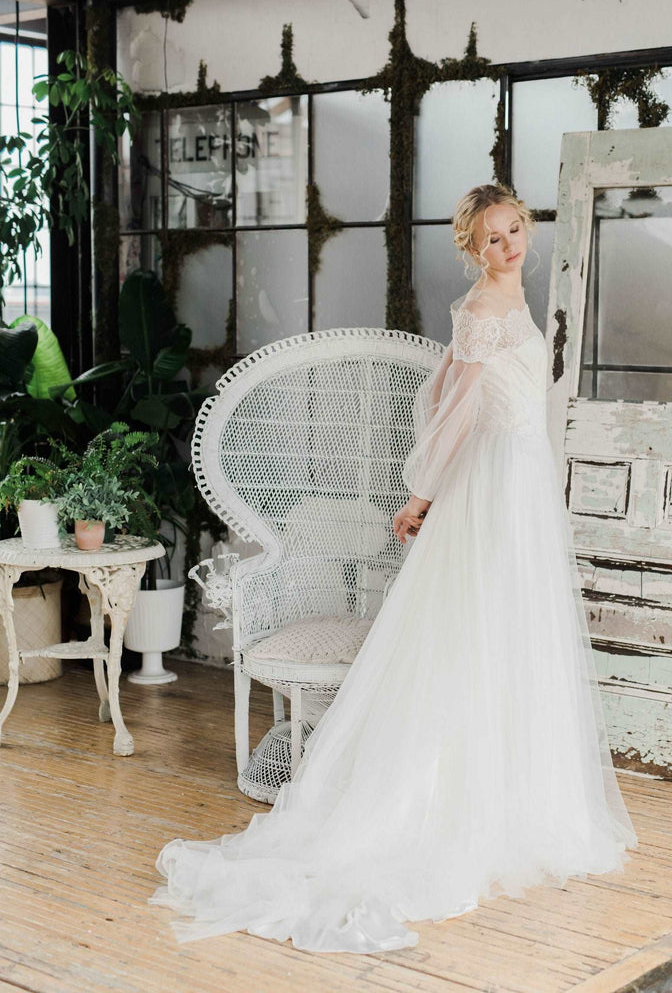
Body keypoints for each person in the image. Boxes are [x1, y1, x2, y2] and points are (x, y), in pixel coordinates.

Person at [150, 182, 639, 953]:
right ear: (472, 248)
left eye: (514, 231)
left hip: (522, 475)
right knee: (474, 627)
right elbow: (453, 407)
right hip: (494, 480)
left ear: (527, 230)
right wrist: (421, 494)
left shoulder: (504, 300)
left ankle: (514, 792)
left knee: (514, 629)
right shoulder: (482, 310)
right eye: (491, 239)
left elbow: (447, 379)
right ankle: (452, 801)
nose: (507, 247)